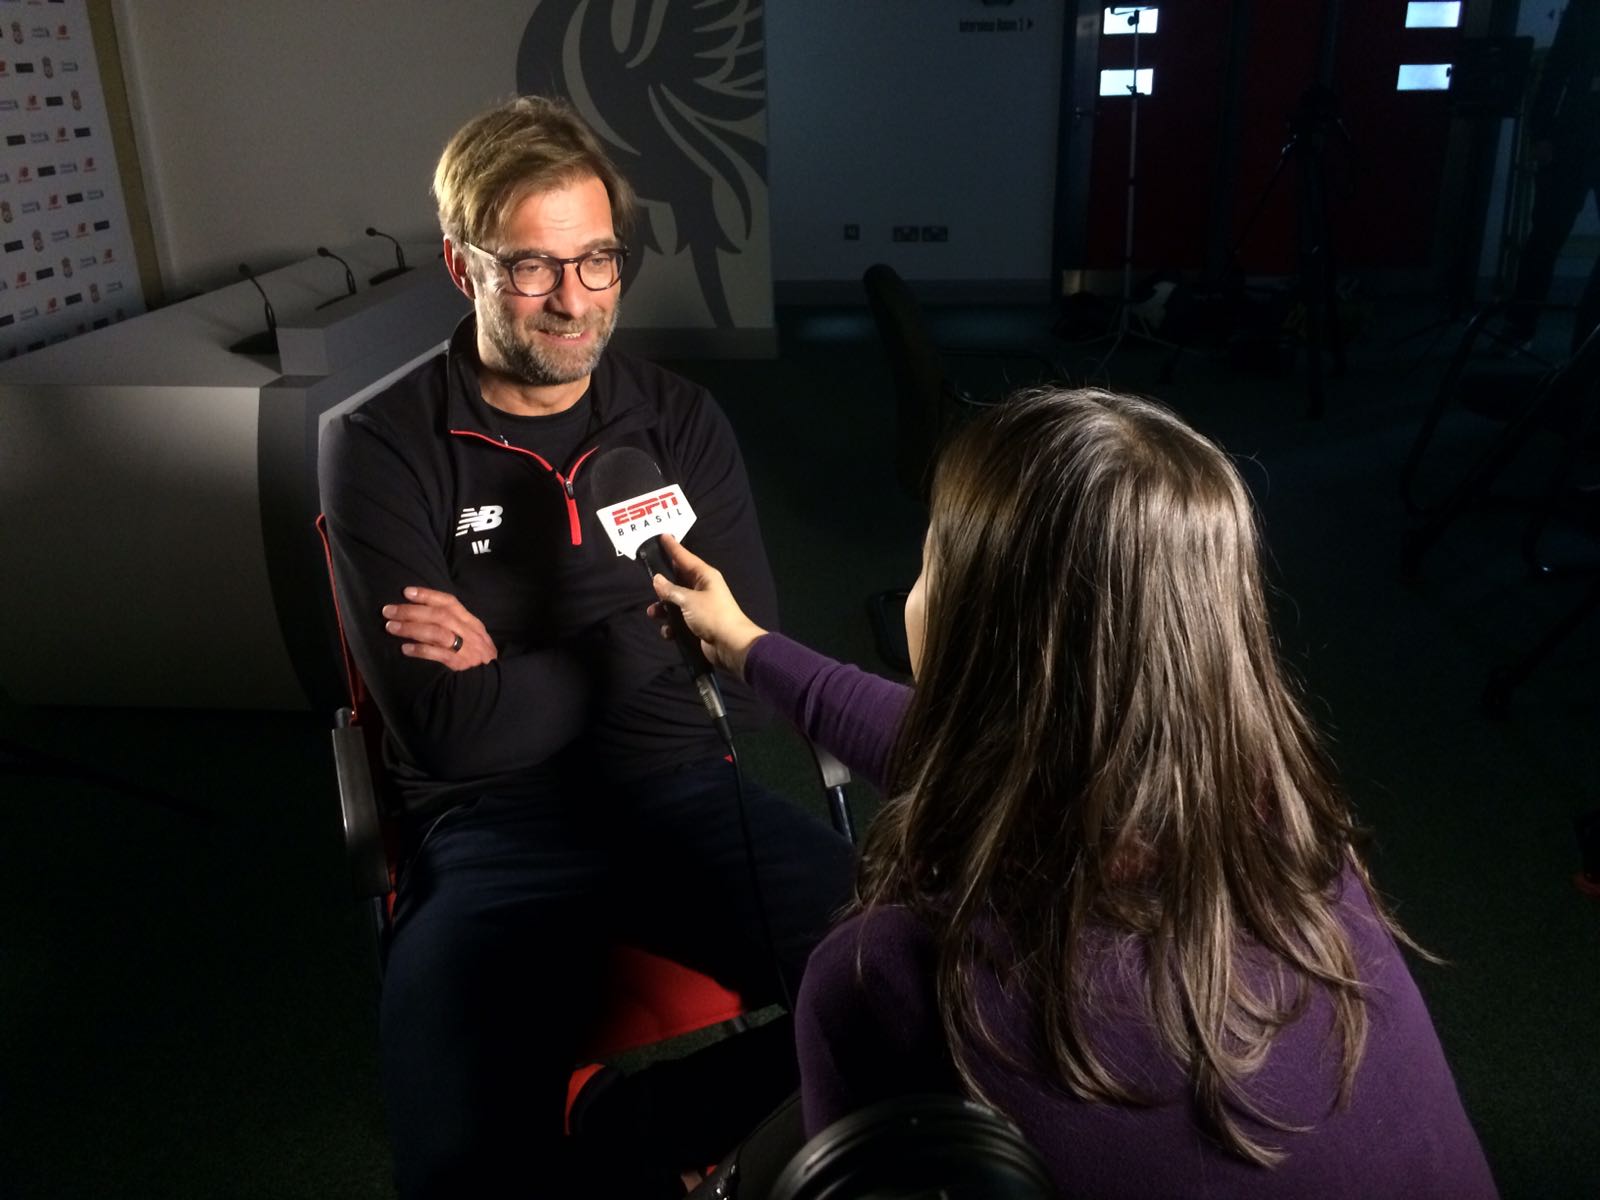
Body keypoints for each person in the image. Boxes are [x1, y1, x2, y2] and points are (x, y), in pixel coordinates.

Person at [652, 387, 1499, 1198]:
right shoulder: (1299, 839)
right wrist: (749, 646)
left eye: (929, 563)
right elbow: (947, 746)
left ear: (973, 633)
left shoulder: (887, 977)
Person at [318, 95, 853, 1199]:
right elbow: (454, 736)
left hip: (683, 787)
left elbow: (749, 678)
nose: (574, 299)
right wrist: (658, 624)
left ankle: (634, 1122)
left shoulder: (679, 420)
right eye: (532, 267)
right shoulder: (379, 444)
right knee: (455, 1165)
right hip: (486, 830)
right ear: (463, 267)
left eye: (597, 259)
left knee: (946, 1004)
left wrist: (521, 664)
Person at [1502, 0, 1600, 353]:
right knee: (1545, 235)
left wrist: (1542, 131)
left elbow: (1557, 69)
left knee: (1544, 236)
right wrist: (1542, 131)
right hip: (1574, 136)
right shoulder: (1585, 9)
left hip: (1572, 134)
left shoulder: (1585, 9)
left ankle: (1523, 329)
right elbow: (1557, 68)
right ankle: (1526, 328)